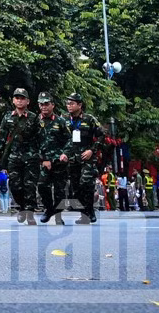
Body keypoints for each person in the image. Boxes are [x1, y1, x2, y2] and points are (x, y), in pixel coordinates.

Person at [40, 92, 103, 224]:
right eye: (68, 103)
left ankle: (89, 210)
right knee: (76, 188)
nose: (69, 106)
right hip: (69, 158)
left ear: (79, 105)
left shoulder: (89, 119)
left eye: (72, 103)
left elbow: (101, 135)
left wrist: (92, 150)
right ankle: (83, 214)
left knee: (86, 183)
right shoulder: (63, 119)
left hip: (86, 157)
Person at [0, 87, 44, 225]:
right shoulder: (8, 117)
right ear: (13, 101)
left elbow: (41, 138)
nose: (19, 100)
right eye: (17, 98)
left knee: (29, 186)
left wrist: (44, 157)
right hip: (14, 157)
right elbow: (1, 138)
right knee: (15, 185)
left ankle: (30, 212)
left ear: (27, 101)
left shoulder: (34, 118)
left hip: (31, 156)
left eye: (22, 98)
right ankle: (22, 207)